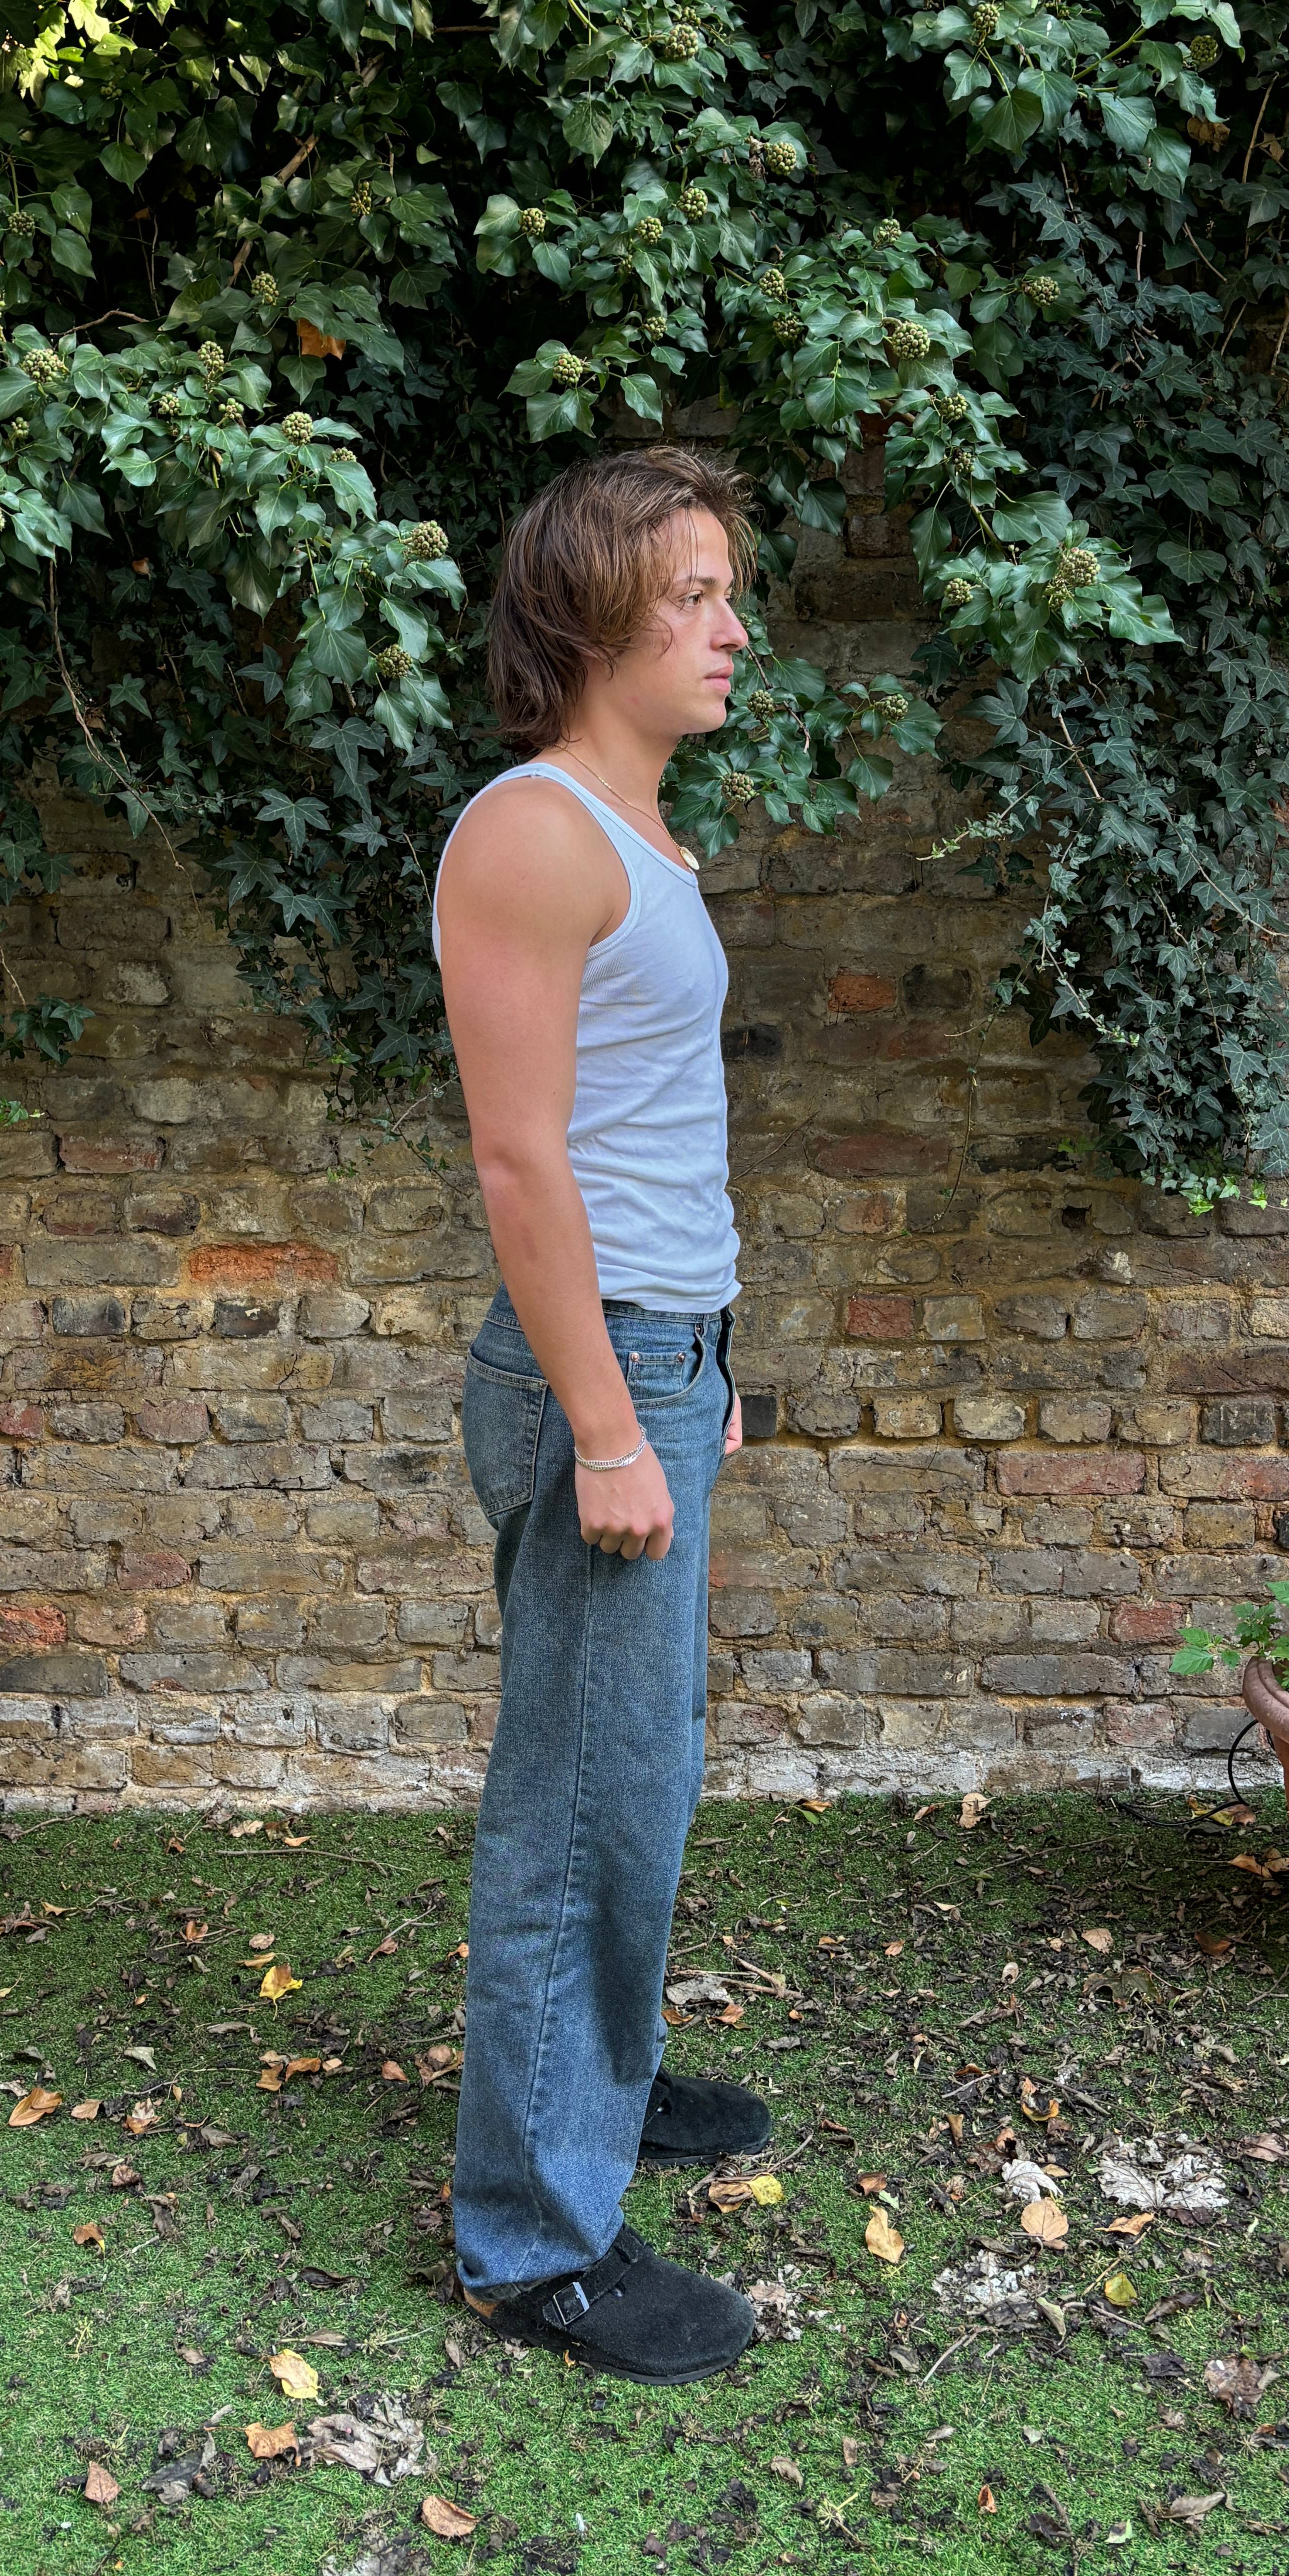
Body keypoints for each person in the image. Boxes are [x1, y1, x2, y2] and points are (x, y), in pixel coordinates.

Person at [434, 446, 768, 2385]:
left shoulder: (639, 837)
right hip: (598, 1372)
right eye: (694, 597)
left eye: (729, 594)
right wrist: (611, 1422)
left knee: (636, 1778)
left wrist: (698, 1375)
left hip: (655, 1355)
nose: (732, 631)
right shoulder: (534, 835)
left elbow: (654, 1135)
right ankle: (534, 2245)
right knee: (575, 1808)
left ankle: (598, 2088)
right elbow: (521, 1158)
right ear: (592, 617)